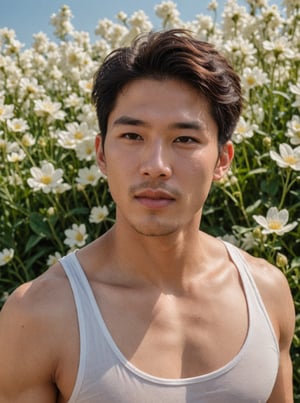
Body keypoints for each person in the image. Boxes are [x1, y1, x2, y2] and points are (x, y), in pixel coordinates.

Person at [0, 29, 295, 403]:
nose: (155, 167)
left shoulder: (267, 292)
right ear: (101, 154)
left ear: (223, 160)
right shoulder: (39, 314)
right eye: (132, 136)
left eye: (185, 139)